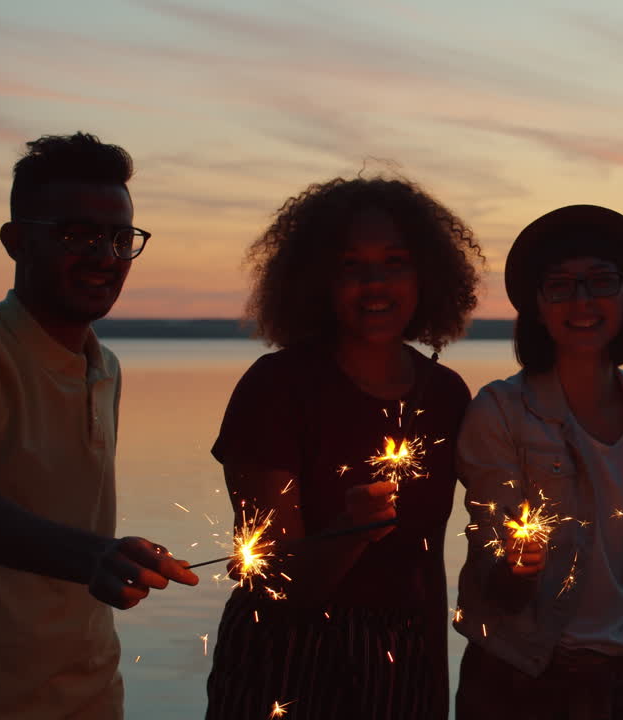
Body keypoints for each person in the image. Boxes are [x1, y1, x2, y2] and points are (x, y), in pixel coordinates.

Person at [0, 132, 199, 718]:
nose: (105, 256)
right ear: (16, 241)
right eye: (78, 235)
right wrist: (94, 556)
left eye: (122, 239)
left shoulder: (105, 366)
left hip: (91, 696)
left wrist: (117, 558)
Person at [204, 175, 481, 719]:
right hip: (285, 662)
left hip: (402, 660)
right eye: (351, 266)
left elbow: (427, 568)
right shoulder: (276, 387)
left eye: (396, 261)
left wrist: (434, 688)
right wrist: (350, 533)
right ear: (318, 280)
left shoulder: (445, 393)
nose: (375, 284)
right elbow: (275, 582)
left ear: (426, 274)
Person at [454, 205, 623, 719]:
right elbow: (493, 575)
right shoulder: (500, 412)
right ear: (536, 304)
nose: (582, 301)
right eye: (560, 285)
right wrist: (516, 567)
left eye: (601, 281)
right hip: (525, 676)